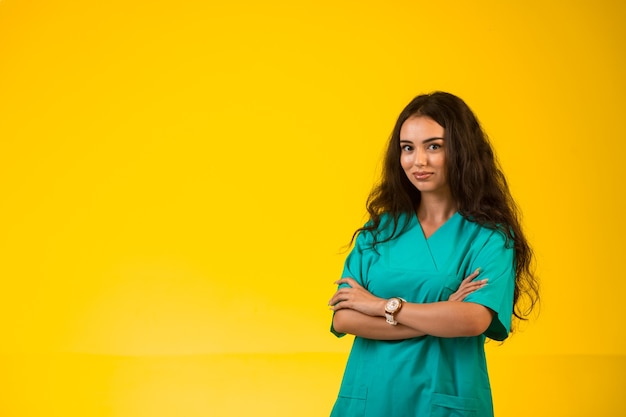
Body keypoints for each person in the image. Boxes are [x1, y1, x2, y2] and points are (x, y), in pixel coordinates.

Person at [328, 92, 539, 417]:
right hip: (370, 399)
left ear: (462, 150)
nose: (418, 161)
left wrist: (379, 306)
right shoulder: (379, 232)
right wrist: (441, 314)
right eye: (408, 148)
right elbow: (344, 317)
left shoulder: (488, 238)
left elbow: (473, 319)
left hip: (443, 401)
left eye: (434, 146)